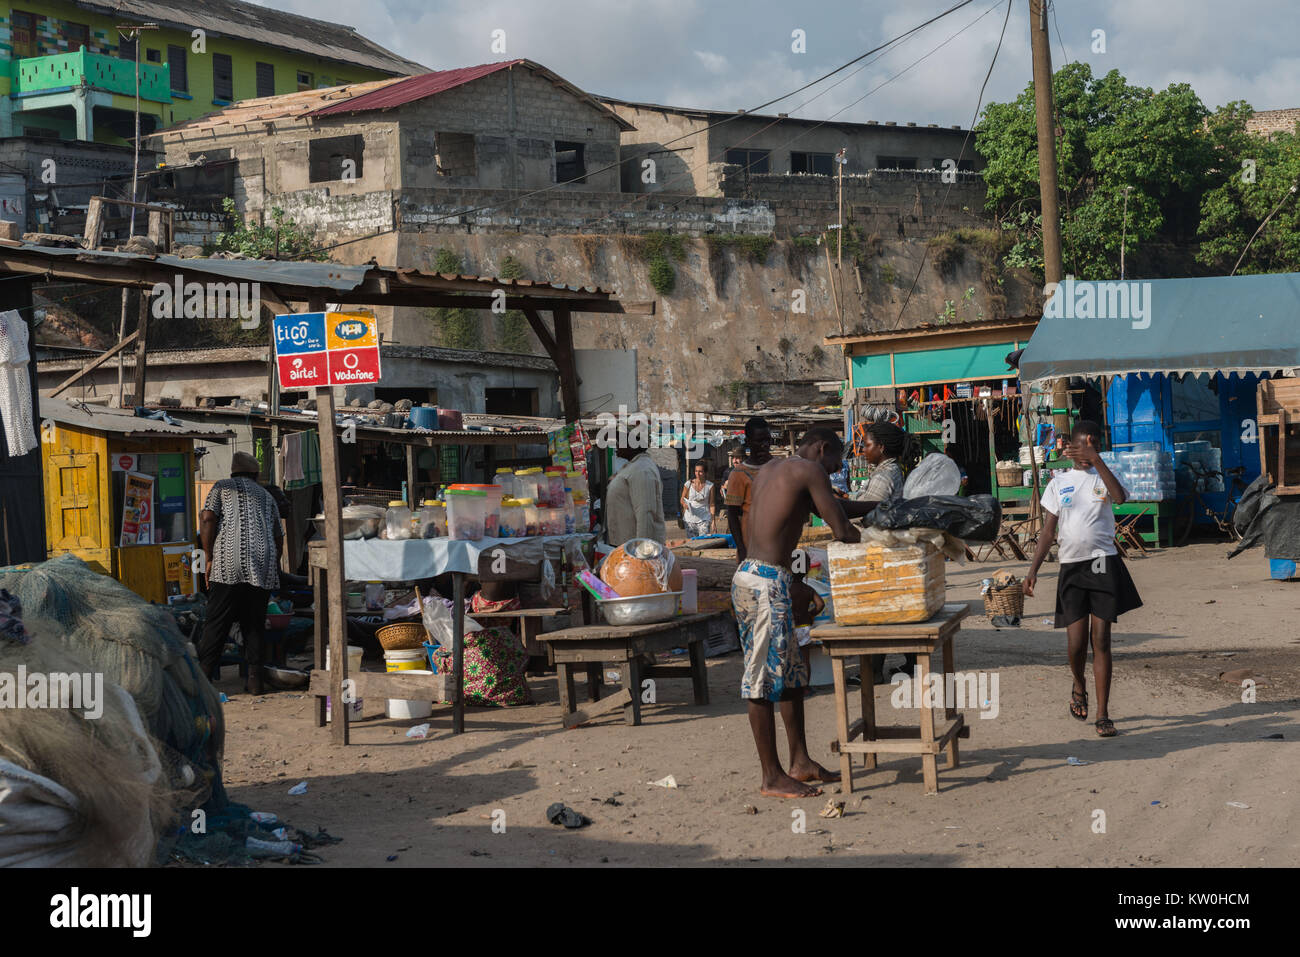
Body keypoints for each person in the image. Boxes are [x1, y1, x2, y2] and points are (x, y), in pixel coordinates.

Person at [731, 427, 861, 798]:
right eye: (835, 463)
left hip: (757, 577)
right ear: (822, 449)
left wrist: (880, 508)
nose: (835, 470)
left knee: (789, 674)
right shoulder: (810, 470)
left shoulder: (773, 470)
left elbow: (835, 506)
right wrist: (875, 538)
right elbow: (839, 527)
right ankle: (771, 777)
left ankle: (800, 762)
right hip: (766, 583)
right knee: (760, 680)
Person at [1024, 420, 1142, 738]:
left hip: (1103, 563)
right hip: (1072, 567)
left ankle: (1103, 714)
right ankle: (1079, 684)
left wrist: (1098, 460)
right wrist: (1032, 570)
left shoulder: (1103, 476)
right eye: (1083, 446)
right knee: (1076, 643)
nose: (1088, 451)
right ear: (1071, 448)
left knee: (1100, 639)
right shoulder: (1058, 482)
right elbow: (1048, 531)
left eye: (1093, 445)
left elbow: (1119, 497)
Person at [198, 451, 285, 695]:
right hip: (262, 563)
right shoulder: (267, 496)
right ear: (255, 474)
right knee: (254, 624)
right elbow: (279, 537)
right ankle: (255, 682)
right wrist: (271, 565)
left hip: (228, 561)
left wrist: (209, 557)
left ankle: (203, 681)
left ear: (233, 472)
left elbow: (207, 519)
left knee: (216, 621)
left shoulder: (222, 487)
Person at [725, 417, 775, 563]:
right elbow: (732, 515)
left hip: (778, 543)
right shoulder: (738, 474)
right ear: (748, 442)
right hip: (751, 544)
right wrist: (741, 548)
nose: (765, 445)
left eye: (768, 440)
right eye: (760, 441)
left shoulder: (779, 468)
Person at [604, 434, 665, 546]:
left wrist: (642, 551)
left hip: (635, 550)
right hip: (625, 545)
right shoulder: (634, 466)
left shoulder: (642, 470)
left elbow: (645, 514)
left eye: (620, 440)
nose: (616, 444)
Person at [679, 462, 715, 538]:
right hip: (689, 519)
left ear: (705, 472)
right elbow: (682, 499)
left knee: (704, 541)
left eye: (700, 471)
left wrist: (713, 522)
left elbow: (712, 504)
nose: (697, 474)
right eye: (696, 471)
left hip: (704, 518)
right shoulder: (688, 484)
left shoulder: (710, 486)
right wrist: (684, 504)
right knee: (692, 544)